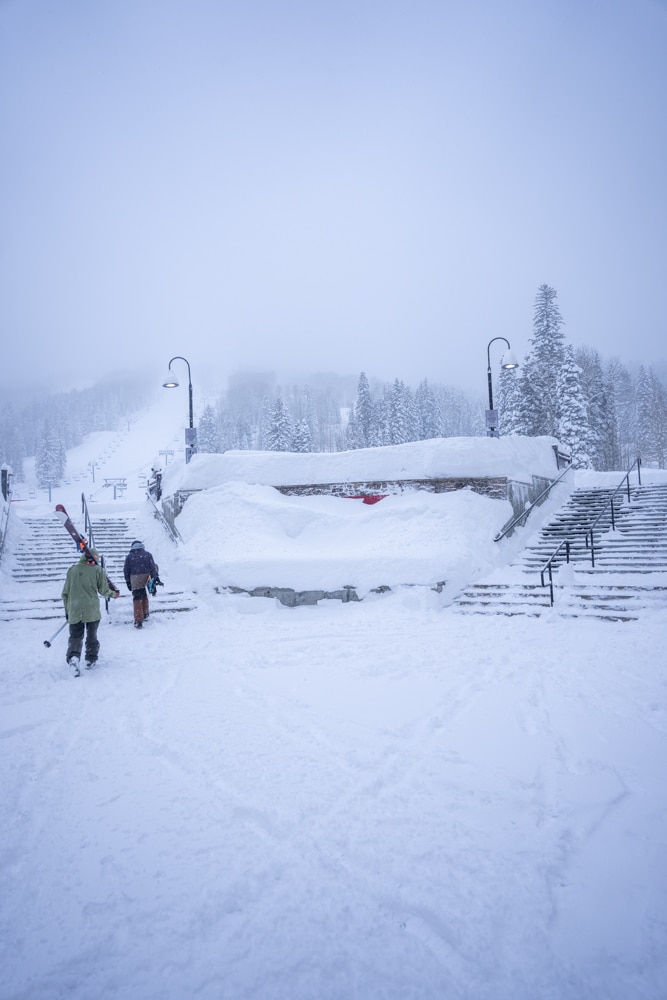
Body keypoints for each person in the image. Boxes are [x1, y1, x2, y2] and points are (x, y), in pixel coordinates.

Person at [62, 547, 120, 675]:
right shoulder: (98, 570)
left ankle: (73, 657)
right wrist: (114, 594)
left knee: (75, 635)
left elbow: (65, 593)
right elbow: (104, 590)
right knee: (91, 635)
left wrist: (67, 611)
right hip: (92, 609)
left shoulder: (72, 570)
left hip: (75, 610)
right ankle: (90, 658)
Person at [123, 539, 159, 628]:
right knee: (143, 594)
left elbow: (126, 570)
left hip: (135, 577)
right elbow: (153, 567)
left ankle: (138, 620)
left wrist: (128, 581)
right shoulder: (148, 555)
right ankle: (145, 613)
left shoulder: (129, 557)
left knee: (137, 597)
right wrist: (154, 578)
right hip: (146, 576)